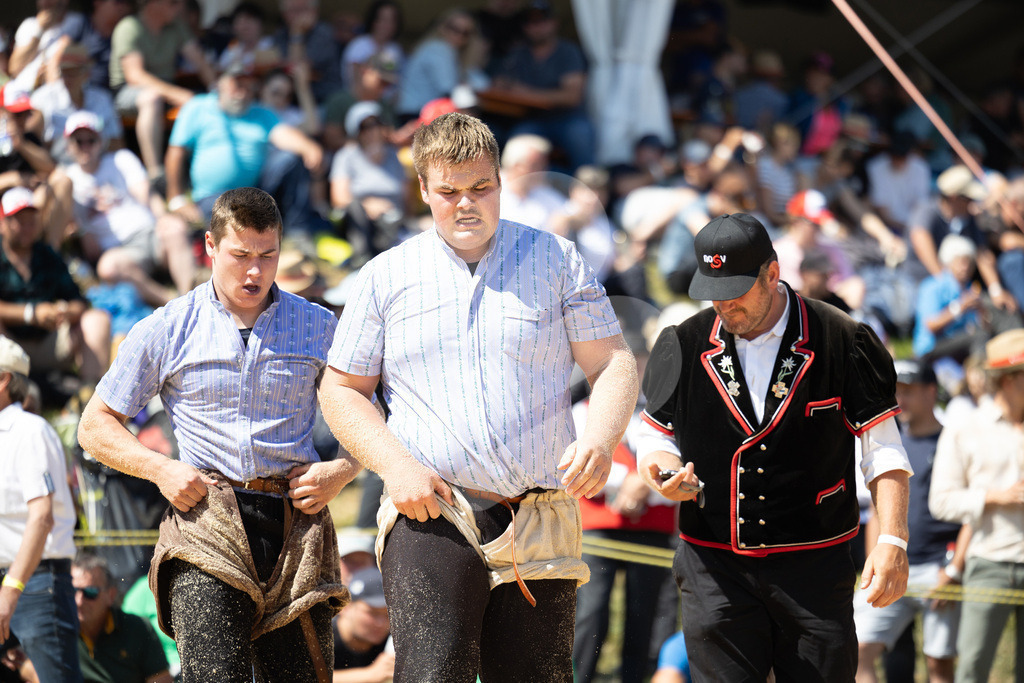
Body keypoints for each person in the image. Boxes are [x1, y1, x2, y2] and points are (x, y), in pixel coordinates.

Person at [318, 112, 638, 682]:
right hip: (429, 509)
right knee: (433, 674)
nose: (466, 204)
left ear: (500, 181)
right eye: (449, 192)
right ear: (423, 188)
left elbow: (613, 362)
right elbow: (341, 390)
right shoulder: (385, 275)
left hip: (539, 512)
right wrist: (396, 468)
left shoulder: (558, 259)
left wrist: (601, 437)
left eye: (481, 187)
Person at [76, 187, 356, 682]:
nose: (255, 272)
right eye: (241, 255)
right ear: (209, 245)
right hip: (206, 518)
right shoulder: (166, 326)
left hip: (296, 521)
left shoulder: (319, 325)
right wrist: (161, 470)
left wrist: (343, 470)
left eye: (268, 255)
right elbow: (94, 426)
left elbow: (373, 412)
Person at [636, 212, 912, 680]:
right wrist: (662, 468)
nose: (724, 305)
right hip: (713, 567)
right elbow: (653, 432)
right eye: (714, 292)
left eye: (736, 291)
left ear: (772, 272)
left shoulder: (844, 338)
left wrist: (892, 539)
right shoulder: (681, 342)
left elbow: (883, 451)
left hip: (815, 568)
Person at [854, 359, 966, 683]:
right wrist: (874, 561)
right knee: (858, 650)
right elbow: (877, 510)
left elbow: (971, 514)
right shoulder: (887, 445)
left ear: (931, 392)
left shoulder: (954, 441)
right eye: (896, 391)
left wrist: (954, 570)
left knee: (939, 663)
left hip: (939, 568)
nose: (899, 399)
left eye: (908, 391)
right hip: (890, 565)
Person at [929, 328, 1024, 683]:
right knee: (972, 670)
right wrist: (994, 496)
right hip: (989, 563)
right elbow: (941, 502)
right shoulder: (965, 429)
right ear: (1011, 379)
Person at [0, 335, 83, 683]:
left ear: (3, 379)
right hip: (23, 583)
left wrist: (10, 589)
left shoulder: (29, 431)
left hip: (33, 583)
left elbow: (42, 517)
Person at [164, 64, 328, 235]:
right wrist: (176, 199)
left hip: (255, 193)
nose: (242, 93)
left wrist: (309, 147)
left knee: (290, 159)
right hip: (212, 196)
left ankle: (298, 232)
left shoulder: (261, 113)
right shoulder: (198, 107)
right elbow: (176, 152)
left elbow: (283, 134)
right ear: (221, 84)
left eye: (249, 87)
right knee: (232, 227)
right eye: (237, 85)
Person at [62, 111, 194, 306]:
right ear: (68, 145)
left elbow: (146, 194)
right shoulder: (67, 181)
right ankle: (172, 303)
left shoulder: (120, 159)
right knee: (108, 268)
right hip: (121, 251)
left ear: (101, 141)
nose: (85, 147)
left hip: (151, 233)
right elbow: (89, 247)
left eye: (91, 140)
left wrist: (163, 216)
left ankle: (190, 296)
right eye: (78, 141)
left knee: (175, 228)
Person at [0, 185, 111, 387]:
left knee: (97, 319)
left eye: (31, 221)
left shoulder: (48, 255)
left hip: (49, 342)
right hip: (8, 346)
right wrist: (30, 314)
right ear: (3, 223)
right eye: (20, 221)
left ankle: (89, 392)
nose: (27, 227)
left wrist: (64, 312)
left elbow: (78, 301)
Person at [108, 0, 217, 179]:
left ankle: (201, 172)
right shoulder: (129, 27)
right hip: (128, 91)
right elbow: (135, 75)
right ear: (154, 3)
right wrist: (178, 95)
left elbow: (200, 61)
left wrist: (216, 91)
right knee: (152, 99)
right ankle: (156, 174)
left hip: (166, 89)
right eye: (173, 2)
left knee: (202, 103)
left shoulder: (177, 27)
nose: (179, 7)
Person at [491, 0, 595, 170]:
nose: (536, 27)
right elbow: (499, 82)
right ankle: (514, 186)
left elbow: (572, 97)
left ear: (554, 23)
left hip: (568, 118)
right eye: (530, 22)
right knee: (516, 145)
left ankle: (588, 184)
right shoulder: (518, 53)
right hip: (533, 119)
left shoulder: (568, 51)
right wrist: (504, 83)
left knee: (581, 137)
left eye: (541, 21)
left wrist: (526, 93)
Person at [72, 555, 172, 683]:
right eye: (72, 590)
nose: (79, 601)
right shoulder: (57, 630)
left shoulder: (137, 629)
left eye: (90, 592)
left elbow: (161, 679)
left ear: (111, 595)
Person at [331, 566, 394, 682]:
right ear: (345, 607)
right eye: (372, 613)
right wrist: (370, 675)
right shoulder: (321, 639)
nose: (381, 623)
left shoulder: (392, 641)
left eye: (388, 615)